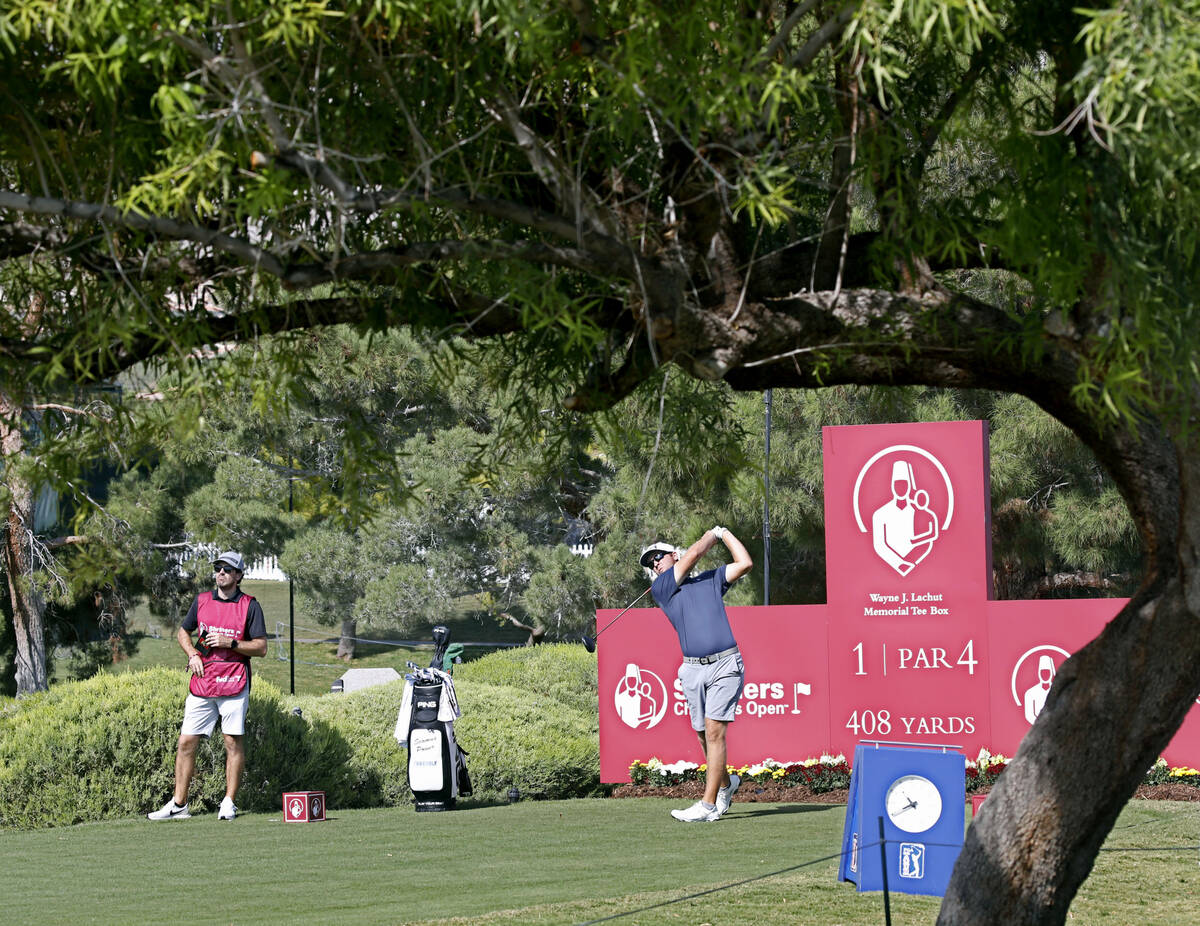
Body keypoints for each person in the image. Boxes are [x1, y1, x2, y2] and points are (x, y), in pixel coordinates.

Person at [641, 526, 753, 822]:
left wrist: (725, 533)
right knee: (704, 735)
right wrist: (710, 535)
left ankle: (707, 806)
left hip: (725, 664)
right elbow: (693, 554)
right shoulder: (662, 588)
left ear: (672, 555)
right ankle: (728, 785)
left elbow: (745, 563)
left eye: (658, 557)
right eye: (651, 563)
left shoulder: (711, 579)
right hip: (692, 670)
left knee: (715, 732)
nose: (655, 564)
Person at [147, 551, 268, 821]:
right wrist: (192, 654)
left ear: (238, 575)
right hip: (202, 684)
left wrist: (231, 643)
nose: (221, 573)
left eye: (227, 569)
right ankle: (179, 805)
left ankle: (229, 802)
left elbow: (261, 648)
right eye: (218, 568)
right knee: (186, 742)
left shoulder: (250, 605)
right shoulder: (202, 601)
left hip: (234, 683)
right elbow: (183, 631)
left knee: (232, 741)